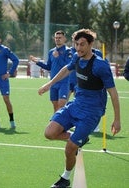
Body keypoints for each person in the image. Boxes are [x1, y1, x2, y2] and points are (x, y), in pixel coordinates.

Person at [38, 29, 121, 188]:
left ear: (91, 44)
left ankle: (65, 178)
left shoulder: (100, 65)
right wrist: (49, 84)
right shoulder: (76, 57)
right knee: (49, 133)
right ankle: (78, 138)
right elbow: (65, 70)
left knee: (70, 148)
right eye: (76, 44)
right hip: (75, 105)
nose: (78, 48)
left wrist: (117, 119)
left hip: (92, 112)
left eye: (82, 44)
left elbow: (114, 94)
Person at [30, 30, 72, 113]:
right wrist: (37, 62)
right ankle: (56, 124)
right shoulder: (51, 52)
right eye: (56, 38)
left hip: (64, 82)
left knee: (61, 104)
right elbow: (48, 67)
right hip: (53, 82)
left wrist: (58, 57)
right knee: (55, 105)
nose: (57, 39)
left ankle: (64, 123)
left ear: (64, 39)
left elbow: (69, 66)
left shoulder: (68, 51)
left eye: (60, 38)